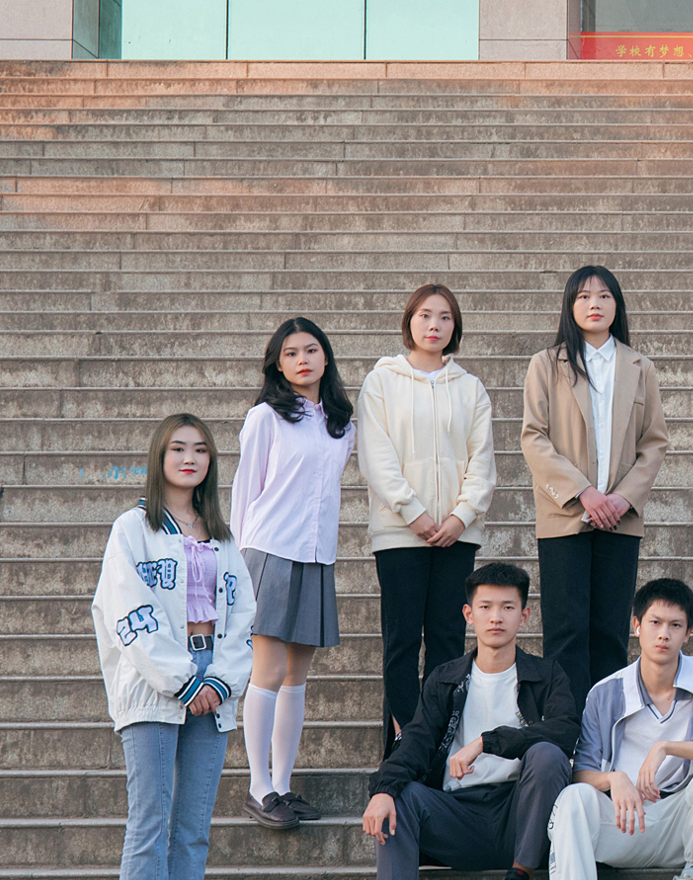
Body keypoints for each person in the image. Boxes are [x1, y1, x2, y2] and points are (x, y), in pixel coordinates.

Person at [94, 414, 256, 880]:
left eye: (201, 449)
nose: (190, 458)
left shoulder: (222, 535)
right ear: (159, 457)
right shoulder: (132, 529)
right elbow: (126, 609)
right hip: (154, 681)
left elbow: (244, 615)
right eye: (179, 448)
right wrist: (181, 680)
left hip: (215, 678)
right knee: (148, 824)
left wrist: (220, 680)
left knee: (194, 828)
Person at [362, 563, 579, 880]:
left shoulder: (546, 674)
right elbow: (416, 741)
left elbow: (565, 731)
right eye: (486, 607)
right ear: (468, 614)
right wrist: (383, 789)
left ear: (524, 616)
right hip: (457, 817)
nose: (496, 618)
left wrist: (486, 742)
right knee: (399, 795)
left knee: (547, 754)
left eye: (508, 608)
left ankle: (518, 879)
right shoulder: (446, 679)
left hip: (521, 815)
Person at [521, 265, 670, 705]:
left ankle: (605, 729)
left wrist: (622, 498)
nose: (595, 304)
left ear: (617, 305)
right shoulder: (546, 364)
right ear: (570, 306)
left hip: (619, 520)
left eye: (604, 296)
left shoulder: (640, 367)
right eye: (584, 297)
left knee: (610, 632)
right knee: (565, 632)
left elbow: (654, 441)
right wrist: (583, 492)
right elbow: (534, 437)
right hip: (565, 516)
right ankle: (565, 728)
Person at [358, 283, 497, 754]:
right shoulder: (382, 381)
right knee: (401, 641)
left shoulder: (470, 388)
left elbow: (482, 461)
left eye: (444, 317)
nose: (434, 325)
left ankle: (439, 745)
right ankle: (403, 747)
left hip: (457, 536)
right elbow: (376, 456)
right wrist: (412, 512)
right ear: (409, 322)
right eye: (424, 315)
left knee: (447, 639)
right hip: (400, 534)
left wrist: (461, 517)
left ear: (455, 327)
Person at [548, 578, 693, 880]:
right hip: (623, 822)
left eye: (675, 625)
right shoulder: (605, 693)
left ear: (688, 633)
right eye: (655, 623)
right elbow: (581, 772)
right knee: (573, 799)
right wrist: (614, 779)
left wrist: (665, 748)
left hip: (687, 825)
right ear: (637, 625)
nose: (664, 634)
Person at [232, 316, 356, 829]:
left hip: (316, 556)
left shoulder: (341, 424)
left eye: (310, 350)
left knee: (297, 677)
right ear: (277, 365)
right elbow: (245, 492)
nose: (302, 359)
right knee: (268, 671)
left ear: (326, 357)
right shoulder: (265, 418)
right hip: (270, 551)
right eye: (290, 353)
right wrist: (236, 568)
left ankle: (282, 784)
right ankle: (258, 787)